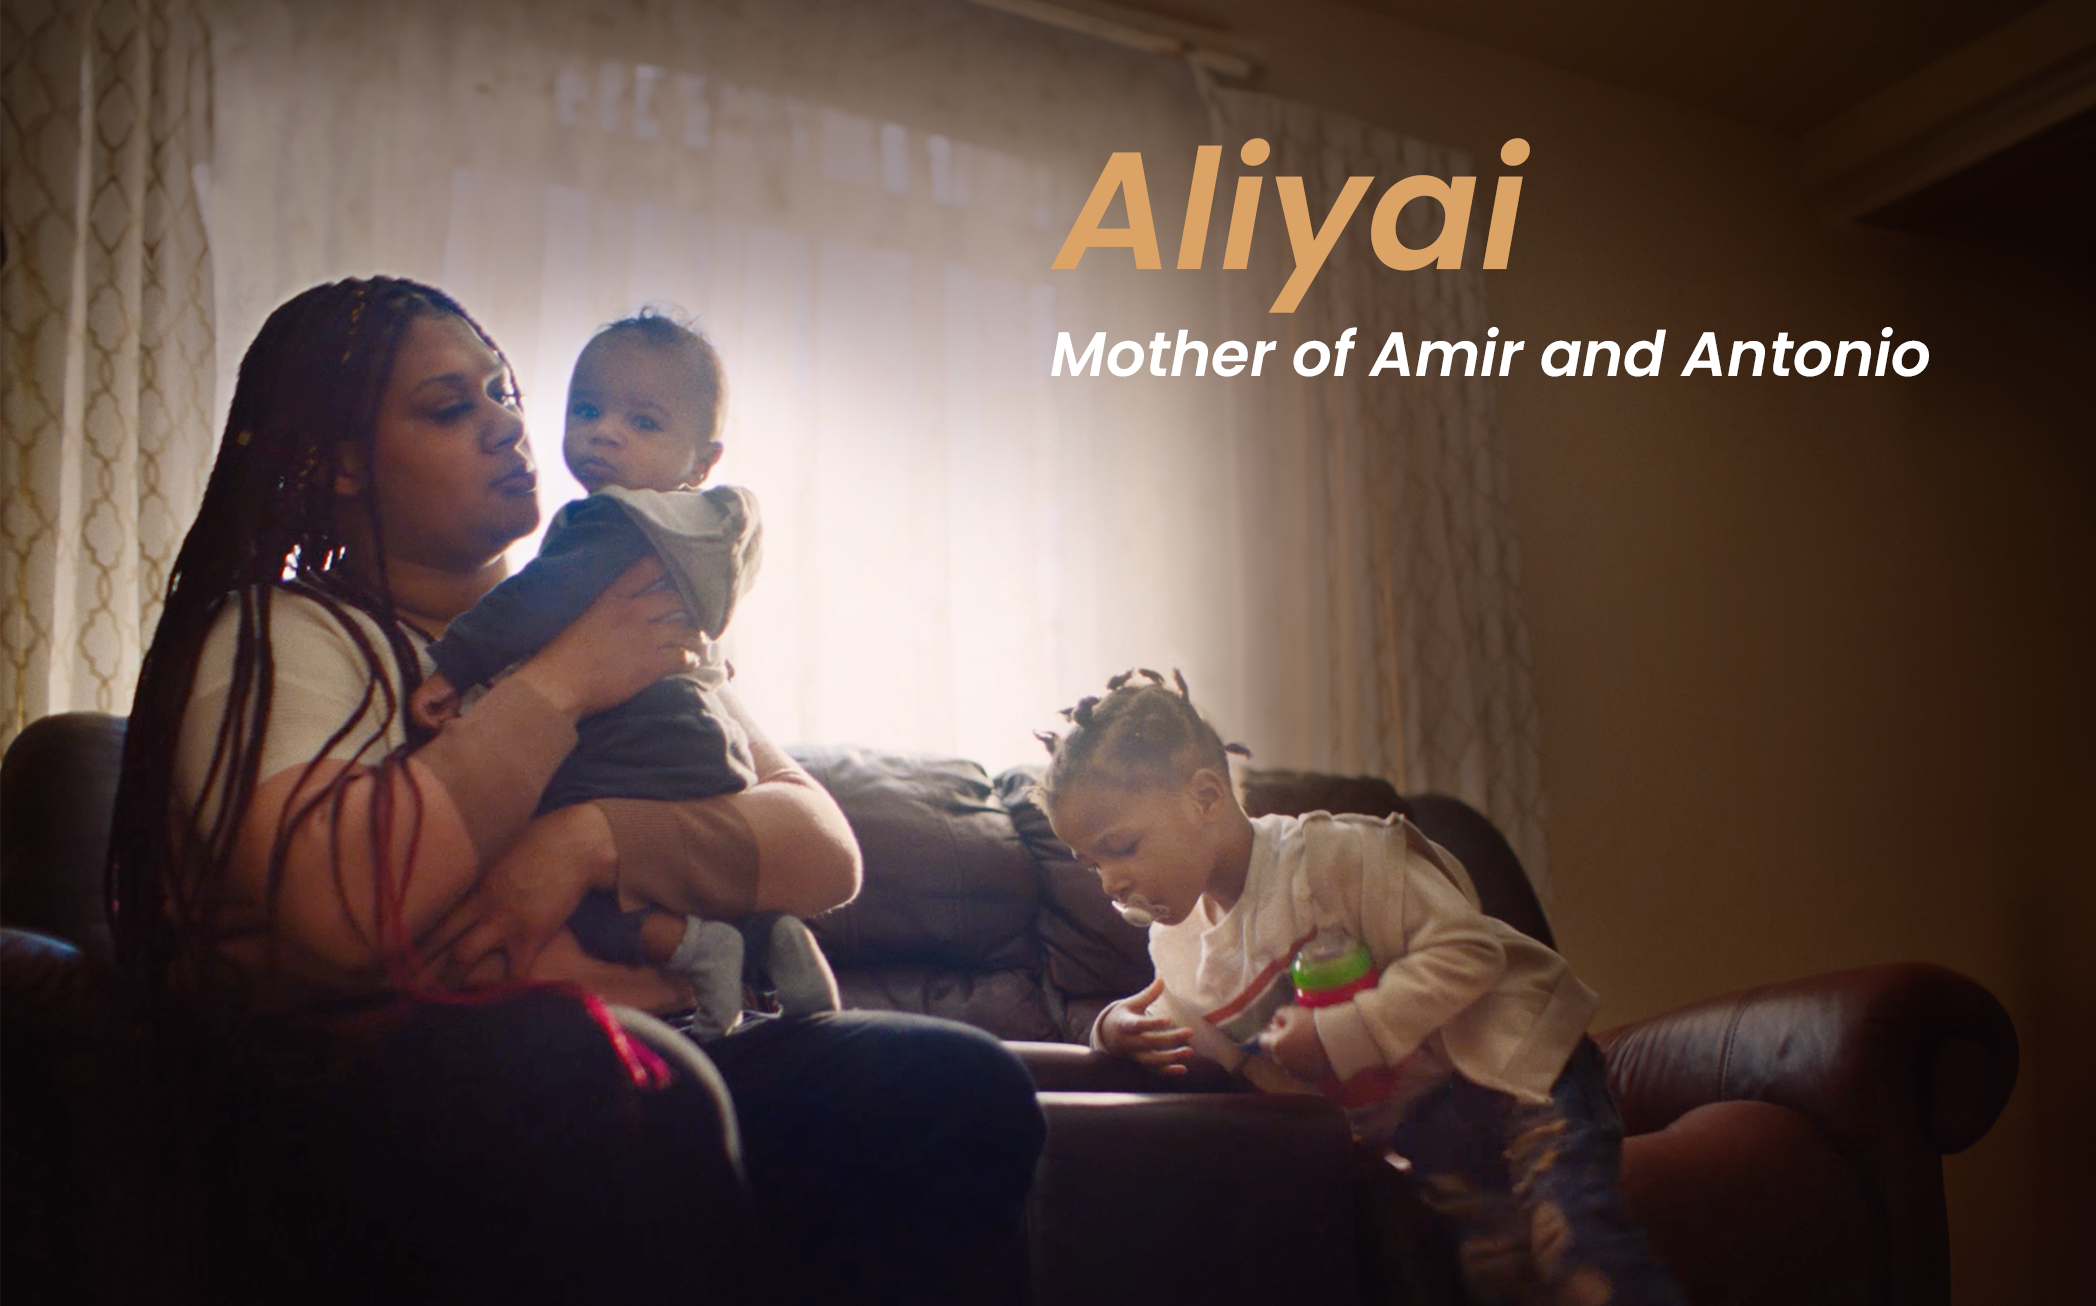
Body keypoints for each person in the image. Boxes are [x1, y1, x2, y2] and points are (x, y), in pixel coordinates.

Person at [108, 277, 1044, 1305]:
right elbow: (338, 906)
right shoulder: (280, 635)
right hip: (430, 1094)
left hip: (679, 1032)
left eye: (502, 390)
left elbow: (822, 851)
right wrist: (560, 684)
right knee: (612, 1075)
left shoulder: (630, 624)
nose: (506, 421)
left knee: (958, 1084)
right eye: (448, 406)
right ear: (335, 464)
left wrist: (587, 839)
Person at [1034, 668, 1686, 1306]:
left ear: (1204, 797)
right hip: (1429, 1124)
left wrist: (1339, 1031)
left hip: (1518, 1066)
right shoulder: (1177, 949)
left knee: (1574, 1248)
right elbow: (1209, 1041)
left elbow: (1469, 951)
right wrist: (1109, 1031)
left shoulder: (1334, 858)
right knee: (1499, 1276)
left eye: (1122, 846)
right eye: (1093, 864)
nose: (1110, 883)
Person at [408, 310, 832, 1039]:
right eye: (587, 410)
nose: (605, 432)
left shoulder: (603, 523)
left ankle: (706, 956)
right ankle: (766, 940)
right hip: (705, 747)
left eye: (643, 422)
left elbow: (535, 600)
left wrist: (462, 659)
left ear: (702, 461)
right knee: (693, 880)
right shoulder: (697, 541)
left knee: (599, 903)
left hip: (632, 743)